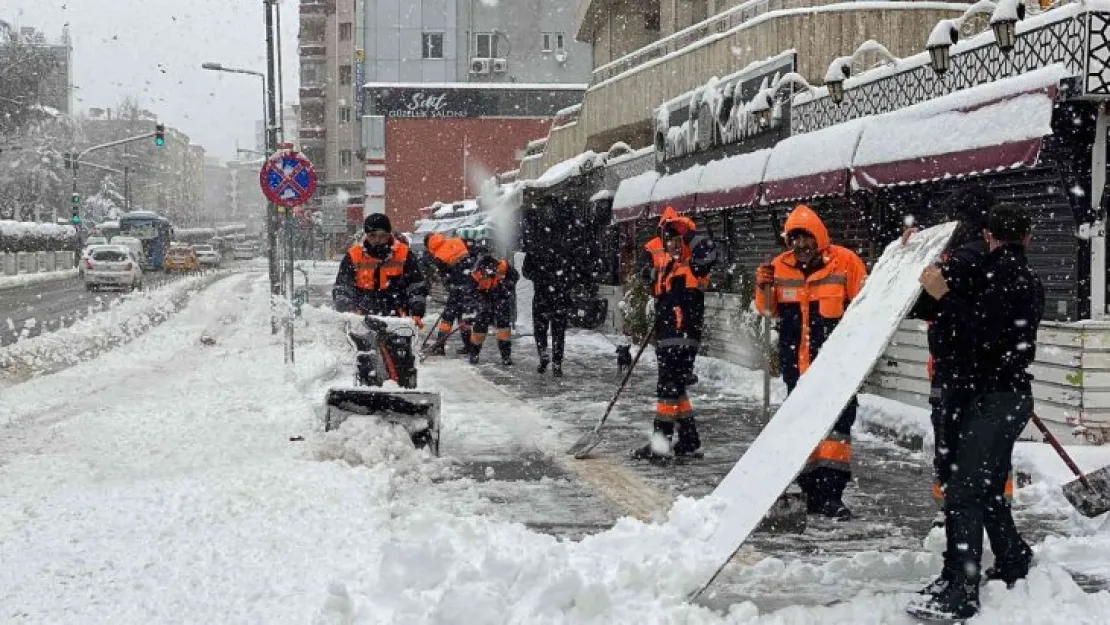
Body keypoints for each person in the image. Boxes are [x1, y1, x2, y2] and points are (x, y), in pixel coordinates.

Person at [908, 204, 1043, 621]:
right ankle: (1012, 558)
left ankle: (961, 587)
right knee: (984, 488)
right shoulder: (1011, 275)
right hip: (1004, 396)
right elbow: (954, 320)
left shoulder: (1004, 276)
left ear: (988, 235)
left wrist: (942, 294)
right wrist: (937, 291)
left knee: (965, 491)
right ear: (1027, 236)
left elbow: (980, 333)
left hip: (993, 399)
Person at [904, 187, 1016, 584]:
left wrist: (915, 264)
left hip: (957, 378)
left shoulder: (963, 260)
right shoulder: (1003, 265)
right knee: (989, 473)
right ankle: (1009, 548)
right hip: (993, 382)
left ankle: (960, 568)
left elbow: (923, 306)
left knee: (958, 472)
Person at [755, 204, 867, 519]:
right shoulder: (779, 267)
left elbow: (867, 304)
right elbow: (766, 311)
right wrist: (763, 285)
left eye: (806, 240)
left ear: (818, 237)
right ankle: (809, 488)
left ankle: (831, 494)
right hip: (796, 365)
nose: (801, 247)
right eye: (794, 240)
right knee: (803, 428)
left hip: (836, 366)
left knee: (836, 430)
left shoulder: (845, 262)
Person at [632, 206, 716, 460]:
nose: (673, 244)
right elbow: (648, 275)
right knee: (676, 387)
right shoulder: (671, 268)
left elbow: (708, 252)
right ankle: (690, 440)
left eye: (678, 239)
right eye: (669, 238)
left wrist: (688, 232)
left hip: (682, 331)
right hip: (668, 329)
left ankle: (662, 443)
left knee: (667, 387)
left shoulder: (693, 264)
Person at [332, 213, 427, 324]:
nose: (377, 239)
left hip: (397, 320)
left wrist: (417, 310)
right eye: (372, 235)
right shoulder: (353, 255)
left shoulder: (404, 254)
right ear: (366, 235)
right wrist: (346, 306)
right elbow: (343, 286)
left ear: (389, 234)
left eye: (382, 235)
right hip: (361, 319)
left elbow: (416, 285)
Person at [522, 228, 573, 377]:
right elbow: (571, 270)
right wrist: (563, 282)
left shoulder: (534, 249)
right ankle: (556, 362)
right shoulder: (564, 248)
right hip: (558, 296)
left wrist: (538, 278)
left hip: (542, 295)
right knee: (558, 331)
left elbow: (526, 271)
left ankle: (544, 354)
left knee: (540, 329)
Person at [424, 232, 474, 356]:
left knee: (447, 317)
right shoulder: (456, 240)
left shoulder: (438, 255)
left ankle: (440, 347)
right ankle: (469, 346)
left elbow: (445, 276)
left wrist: (450, 287)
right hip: (470, 283)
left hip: (456, 287)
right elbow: (471, 254)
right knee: (463, 316)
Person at [468, 252, 519, 366]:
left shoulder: (504, 266)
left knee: (504, 330)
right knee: (479, 330)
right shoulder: (476, 274)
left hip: (501, 300)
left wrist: (507, 285)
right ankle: (474, 354)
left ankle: (506, 356)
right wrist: (481, 301)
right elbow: (471, 292)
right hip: (484, 301)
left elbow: (515, 277)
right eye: (485, 271)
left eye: (491, 270)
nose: (488, 273)